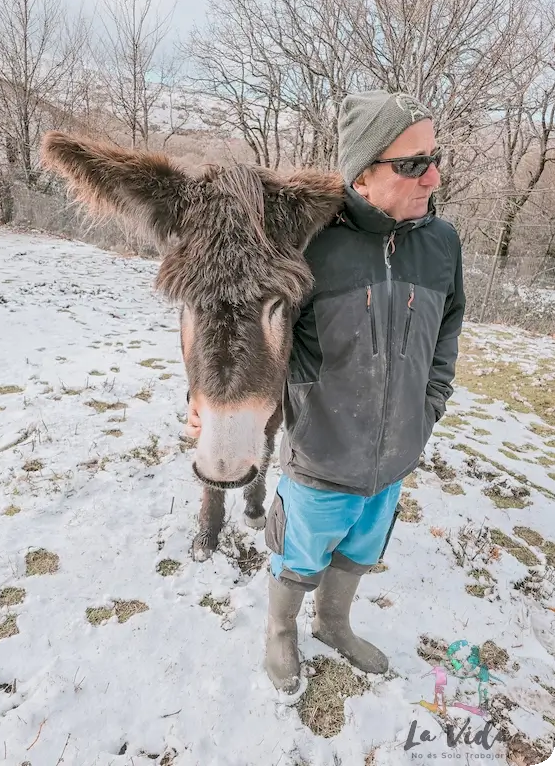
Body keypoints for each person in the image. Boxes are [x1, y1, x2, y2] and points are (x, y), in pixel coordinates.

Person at [188, 90, 466, 695]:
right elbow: (236, 324)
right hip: (321, 456)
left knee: (361, 550)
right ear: (363, 172)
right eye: (413, 163)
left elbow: (448, 329)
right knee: (300, 555)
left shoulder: (442, 243)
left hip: (395, 459)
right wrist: (213, 404)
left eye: (434, 157)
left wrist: (430, 406)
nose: (433, 175)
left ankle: (334, 622)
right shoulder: (310, 246)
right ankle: (280, 630)